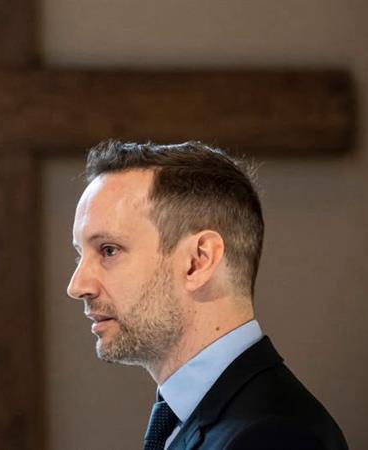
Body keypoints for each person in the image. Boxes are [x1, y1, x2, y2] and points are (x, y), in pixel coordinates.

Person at [67, 140, 347, 450]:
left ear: (198, 261)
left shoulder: (274, 438)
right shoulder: (187, 419)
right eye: (80, 254)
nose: (77, 286)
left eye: (108, 250)